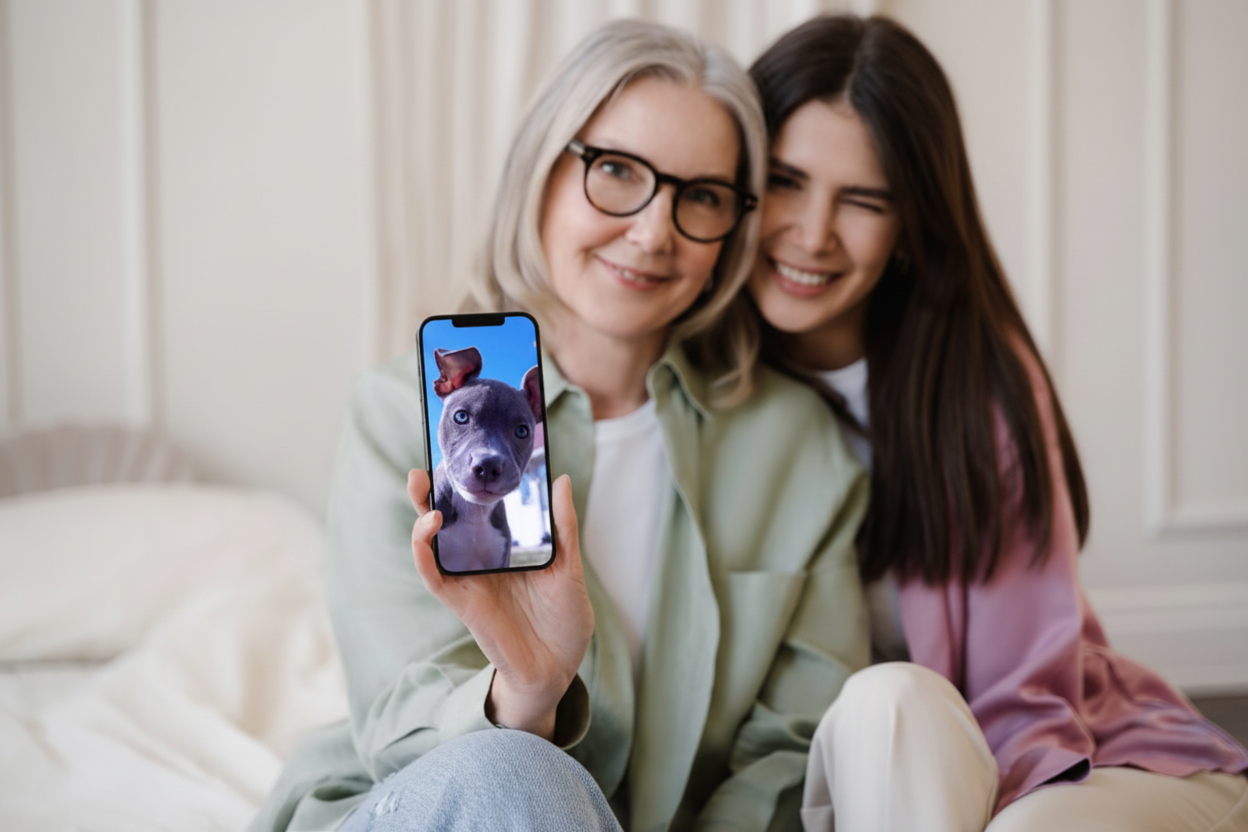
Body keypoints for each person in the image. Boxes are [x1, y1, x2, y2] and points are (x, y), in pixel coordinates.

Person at [248, 18, 869, 832]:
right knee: (511, 771)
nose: (653, 232)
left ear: (732, 232)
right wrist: (528, 693)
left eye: (702, 196)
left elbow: (793, 751)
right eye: (615, 170)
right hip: (424, 808)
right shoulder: (400, 416)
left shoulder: (794, 445)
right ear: (540, 171)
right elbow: (400, 727)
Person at [746, 13, 1248, 832]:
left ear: (910, 223)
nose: (812, 233)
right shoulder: (704, 389)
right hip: (876, 772)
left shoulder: (972, 383)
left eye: (863, 200)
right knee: (882, 703)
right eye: (785, 181)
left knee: (914, 723)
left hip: (1078, 762)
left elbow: (1025, 702)